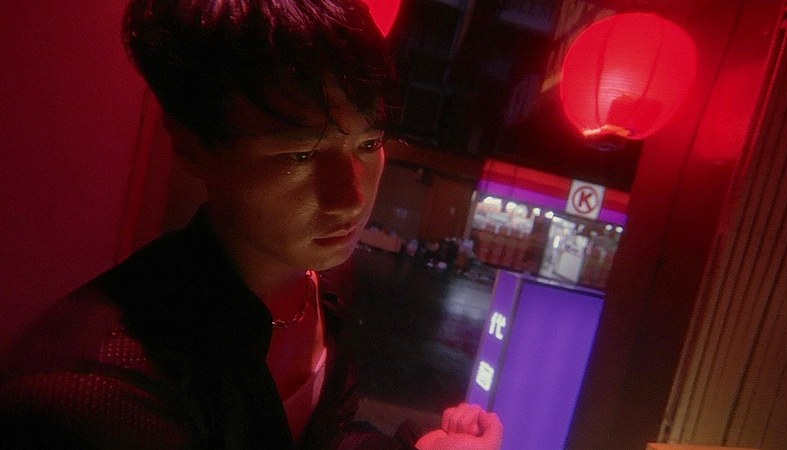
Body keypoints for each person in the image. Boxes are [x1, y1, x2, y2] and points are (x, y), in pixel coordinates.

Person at [0, 0, 503, 448]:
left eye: (368, 145)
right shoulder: (93, 394)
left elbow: (325, 434)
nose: (349, 199)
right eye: (299, 154)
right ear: (192, 146)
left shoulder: (323, 279)